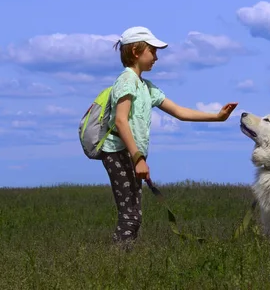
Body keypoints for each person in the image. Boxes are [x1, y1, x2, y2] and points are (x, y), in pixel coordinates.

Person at [100, 26, 238, 247]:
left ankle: (122, 263)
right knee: (130, 216)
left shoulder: (146, 86)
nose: (156, 57)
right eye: (153, 51)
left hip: (132, 155)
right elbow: (120, 120)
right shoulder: (126, 81)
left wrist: (217, 117)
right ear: (136, 51)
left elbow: (180, 112)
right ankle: (116, 265)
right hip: (119, 153)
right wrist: (138, 158)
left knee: (134, 216)